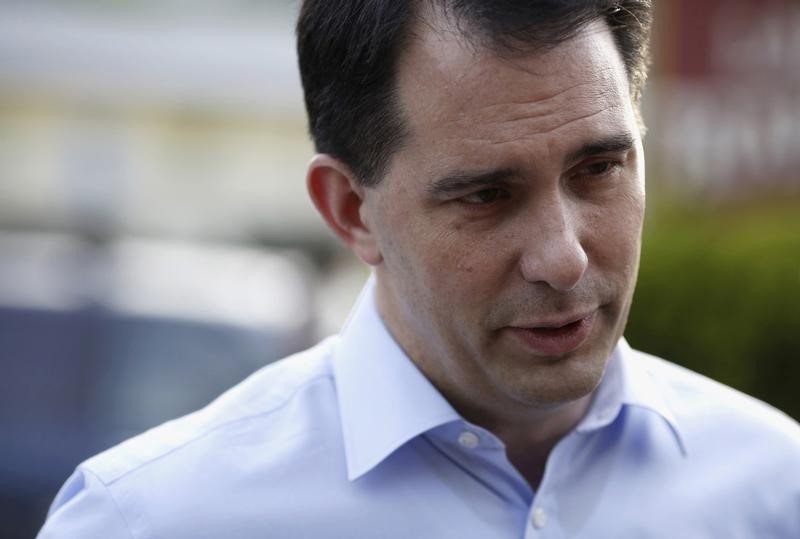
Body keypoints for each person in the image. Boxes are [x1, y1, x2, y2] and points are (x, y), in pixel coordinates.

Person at [39, 1, 800, 537]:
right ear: (349, 209)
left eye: (599, 168)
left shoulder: (777, 489)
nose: (564, 256)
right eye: (487, 195)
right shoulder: (149, 521)